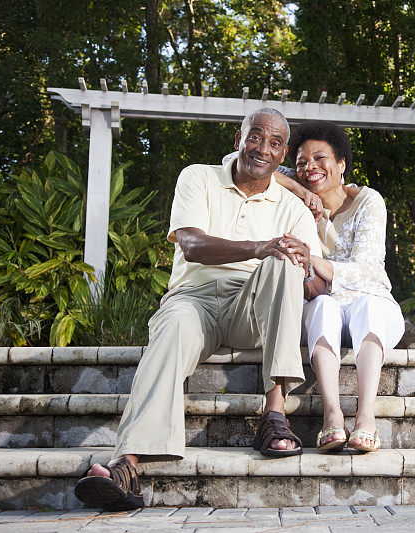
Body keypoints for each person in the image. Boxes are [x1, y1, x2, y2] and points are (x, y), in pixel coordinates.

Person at [73, 108, 325, 511]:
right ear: (238, 140)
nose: (263, 148)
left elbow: (314, 279)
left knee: (284, 260)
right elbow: (191, 243)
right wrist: (262, 247)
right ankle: (127, 464)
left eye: (275, 143)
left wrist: (305, 262)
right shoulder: (199, 176)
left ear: (283, 158)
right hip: (195, 300)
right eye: (256, 136)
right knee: (172, 326)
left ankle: (274, 412)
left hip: (251, 310)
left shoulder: (292, 208)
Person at [288, 121, 405, 453]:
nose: (310, 167)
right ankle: (332, 415)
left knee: (366, 306)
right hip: (325, 311)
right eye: (301, 162)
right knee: (323, 305)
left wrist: (314, 260)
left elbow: (367, 269)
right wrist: (300, 191)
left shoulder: (368, 201)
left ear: (341, 164)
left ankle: (366, 416)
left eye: (320, 158)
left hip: (374, 307)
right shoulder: (300, 202)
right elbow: (232, 160)